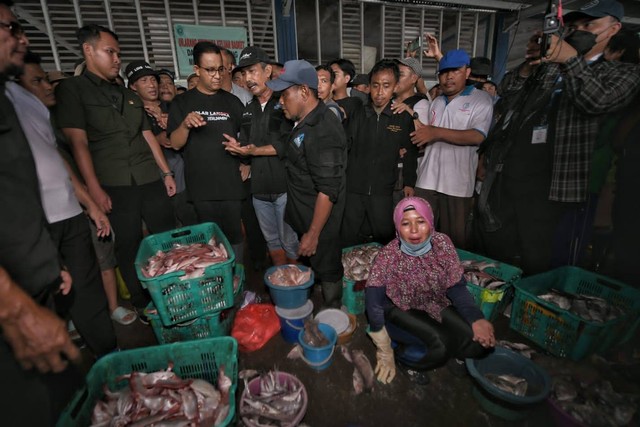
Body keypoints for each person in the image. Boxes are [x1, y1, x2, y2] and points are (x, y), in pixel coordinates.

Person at [477, 0, 640, 274]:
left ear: (613, 29)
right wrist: (531, 63)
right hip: (512, 173)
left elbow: (596, 101)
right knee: (499, 245)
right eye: (575, 25)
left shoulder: (622, 73)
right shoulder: (550, 67)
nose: (580, 30)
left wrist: (570, 60)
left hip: (554, 185)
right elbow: (507, 92)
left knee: (538, 254)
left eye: (590, 25)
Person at [55, 24, 177, 320]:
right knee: (128, 243)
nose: (116, 59)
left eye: (118, 53)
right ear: (88, 50)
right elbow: (78, 142)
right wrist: (94, 189)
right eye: (110, 52)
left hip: (148, 176)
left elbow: (148, 137)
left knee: (165, 235)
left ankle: (172, 288)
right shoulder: (73, 90)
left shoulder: (127, 94)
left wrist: (166, 173)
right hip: (113, 182)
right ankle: (141, 299)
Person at [0, 2, 82, 422]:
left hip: (32, 278)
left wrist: (45, 266)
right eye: (11, 27)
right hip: (10, 311)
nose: (23, 36)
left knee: (56, 399)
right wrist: (13, 305)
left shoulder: (11, 101)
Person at [10, 51, 123, 349]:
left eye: (46, 80)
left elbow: (58, 164)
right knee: (47, 297)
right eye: (37, 81)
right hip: (33, 223)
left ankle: (108, 355)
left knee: (88, 290)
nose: (48, 87)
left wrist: (91, 205)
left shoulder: (36, 107)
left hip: (70, 215)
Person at [225, 60, 347, 307]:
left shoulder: (324, 128)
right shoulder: (305, 122)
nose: (280, 102)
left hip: (321, 224)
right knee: (316, 268)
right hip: (305, 216)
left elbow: (327, 189)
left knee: (328, 268)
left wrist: (313, 234)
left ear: (303, 91)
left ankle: (332, 312)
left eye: (285, 95)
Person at [366, 197, 495, 385]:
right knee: (441, 345)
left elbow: (456, 286)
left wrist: (476, 317)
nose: (414, 230)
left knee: (479, 341)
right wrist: (383, 347)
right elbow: (374, 302)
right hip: (396, 309)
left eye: (420, 221)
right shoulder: (388, 256)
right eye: (405, 223)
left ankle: (454, 353)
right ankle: (405, 359)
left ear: (430, 221)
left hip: (433, 301)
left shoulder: (442, 244)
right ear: (397, 227)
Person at [167, 41, 246, 261]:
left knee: (235, 239)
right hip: (200, 189)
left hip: (230, 186)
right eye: (210, 70)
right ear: (197, 70)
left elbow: (247, 139)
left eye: (220, 69)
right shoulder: (182, 102)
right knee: (207, 244)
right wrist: (184, 125)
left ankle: (236, 283)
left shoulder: (232, 102)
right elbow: (175, 144)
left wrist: (245, 159)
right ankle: (215, 285)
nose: (217, 76)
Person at [411, 50, 493, 249]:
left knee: (454, 240)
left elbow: (477, 136)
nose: (448, 77)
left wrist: (435, 132)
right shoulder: (437, 102)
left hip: (457, 183)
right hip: (427, 179)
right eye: (443, 72)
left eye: (455, 71)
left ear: (467, 72)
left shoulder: (480, 99)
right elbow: (426, 134)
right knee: (420, 235)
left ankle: (452, 279)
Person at [341, 59, 418, 247]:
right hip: (354, 188)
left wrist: (409, 181)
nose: (380, 92)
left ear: (395, 87)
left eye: (386, 86)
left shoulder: (402, 116)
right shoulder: (358, 113)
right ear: (369, 86)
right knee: (349, 235)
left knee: (384, 234)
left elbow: (410, 151)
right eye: (375, 85)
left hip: (384, 189)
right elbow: (345, 147)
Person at [125, 61, 197, 228]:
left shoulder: (174, 106)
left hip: (183, 178)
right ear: (133, 86)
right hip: (152, 180)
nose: (151, 85)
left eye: (153, 79)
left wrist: (168, 120)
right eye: (144, 81)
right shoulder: (131, 113)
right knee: (165, 230)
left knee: (191, 225)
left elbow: (175, 140)